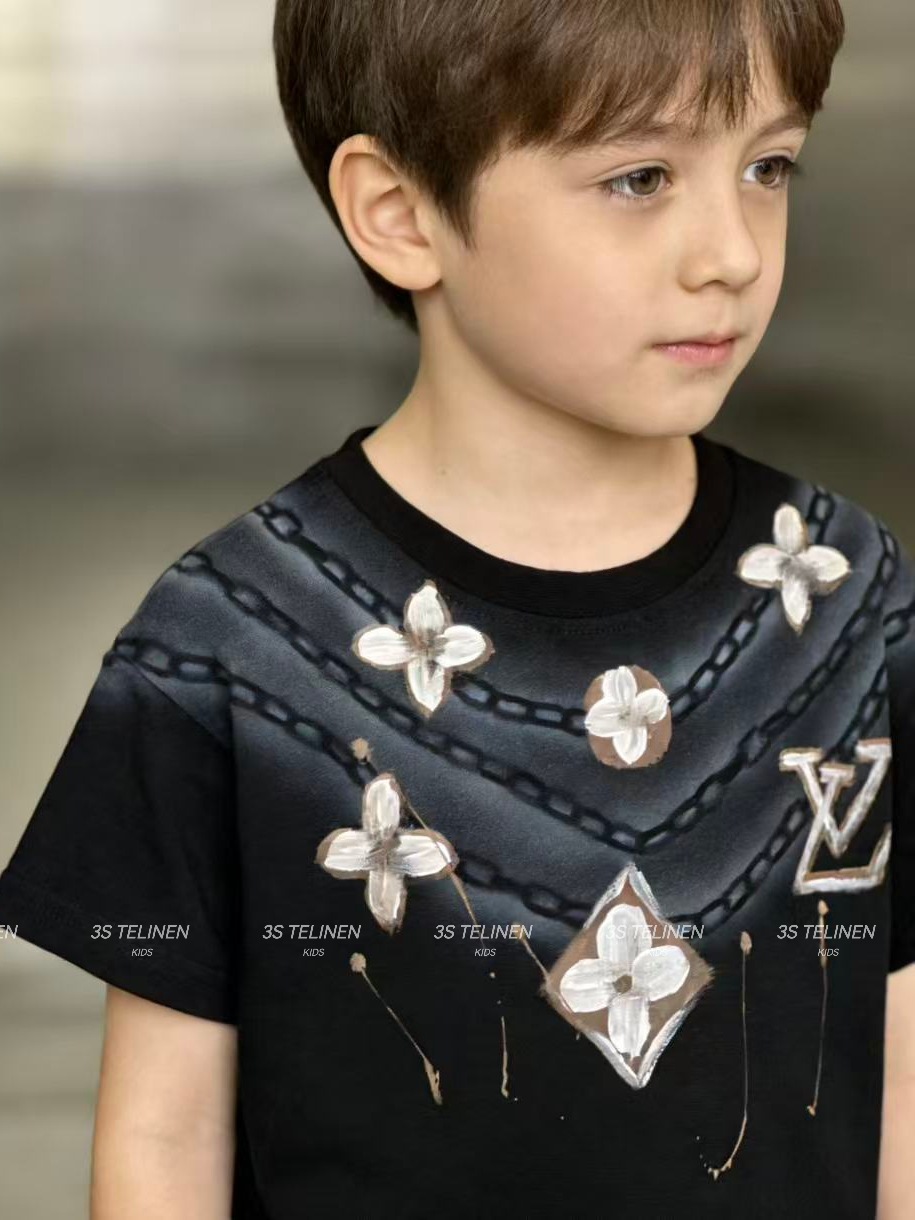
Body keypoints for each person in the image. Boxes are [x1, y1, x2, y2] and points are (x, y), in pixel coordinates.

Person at [1, 0, 913, 1216]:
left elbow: (900, 1070)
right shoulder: (232, 644)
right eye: (641, 177)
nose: (733, 253)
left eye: (768, 167)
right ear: (399, 212)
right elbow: (164, 1140)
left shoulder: (850, 598)